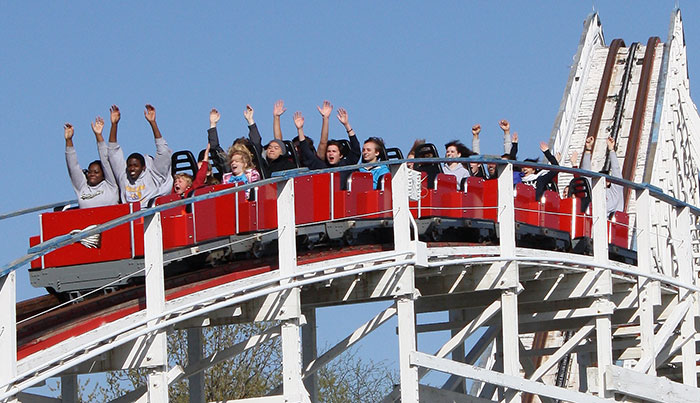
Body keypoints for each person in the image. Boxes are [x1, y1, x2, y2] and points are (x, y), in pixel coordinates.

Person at [107, 104, 173, 207]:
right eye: (130, 166)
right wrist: (114, 125)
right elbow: (113, 152)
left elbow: (163, 151)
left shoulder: (154, 175)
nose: (132, 168)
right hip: (130, 217)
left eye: (136, 165)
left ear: (143, 167)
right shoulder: (123, 176)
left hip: (151, 214)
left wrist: (153, 123)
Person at [294, 108, 361, 186]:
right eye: (329, 151)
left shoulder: (346, 164)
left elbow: (356, 148)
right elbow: (307, 153)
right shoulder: (321, 166)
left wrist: (347, 125)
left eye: (334, 151)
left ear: (341, 155)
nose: (331, 154)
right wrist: (300, 129)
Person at [64, 118, 119, 208]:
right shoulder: (82, 188)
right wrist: (69, 140)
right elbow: (73, 167)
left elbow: (105, 160)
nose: (92, 174)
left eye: (96, 172)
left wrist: (98, 135)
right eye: (90, 172)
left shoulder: (111, 185)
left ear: (103, 174)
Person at [581, 136, 623, 216]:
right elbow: (586, 176)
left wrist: (611, 150)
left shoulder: (615, 191)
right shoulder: (594, 192)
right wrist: (588, 150)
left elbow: (616, 171)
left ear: (608, 182)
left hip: (610, 224)